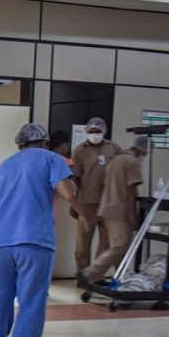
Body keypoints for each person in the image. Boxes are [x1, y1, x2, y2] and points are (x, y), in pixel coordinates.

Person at [0, 123, 91, 337]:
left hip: (1, 243)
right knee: (30, 303)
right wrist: (83, 213)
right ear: (46, 142)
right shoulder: (52, 159)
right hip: (35, 242)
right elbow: (67, 192)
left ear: (20, 144)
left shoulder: (4, 166)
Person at [80, 136, 146, 283]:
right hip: (120, 210)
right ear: (143, 151)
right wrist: (132, 215)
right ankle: (90, 273)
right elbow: (131, 191)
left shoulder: (115, 160)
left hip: (106, 208)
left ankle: (120, 277)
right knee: (119, 246)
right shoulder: (132, 162)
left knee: (110, 245)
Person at [72, 117, 121, 275]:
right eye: (92, 131)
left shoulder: (113, 147)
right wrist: (75, 204)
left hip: (109, 204)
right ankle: (83, 275)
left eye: (98, 131)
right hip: (86, 204)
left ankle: (97, 276)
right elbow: (75, 178)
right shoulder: (80, 150)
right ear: (87, 132)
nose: (95, 134)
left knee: (107, 243)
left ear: (104, 131)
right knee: (82, 245)